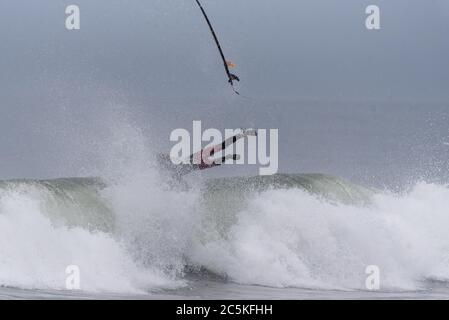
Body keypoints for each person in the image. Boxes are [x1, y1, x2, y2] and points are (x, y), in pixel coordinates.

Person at [157, 128, 257, 181]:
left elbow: (165, 158)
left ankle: (242, 135)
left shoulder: (172, 168)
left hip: (196, 159)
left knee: (222, 147)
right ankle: (239, 138)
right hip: (197, 164)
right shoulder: (173, 172)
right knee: (220, 151)